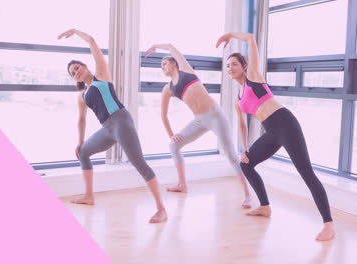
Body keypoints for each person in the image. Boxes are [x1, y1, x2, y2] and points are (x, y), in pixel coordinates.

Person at [216, 32, 334, 241]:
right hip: (271, 131)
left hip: (286, 124)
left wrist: (231, 35)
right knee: (246, 163)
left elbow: (251, 38)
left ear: (244, 66)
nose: (230, 68)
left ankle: (328, 224)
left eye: (234, 64)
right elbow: (242, 125)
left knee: (306, 173)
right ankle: (264, 206)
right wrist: (244, 149)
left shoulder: (253, 76)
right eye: (228, 66)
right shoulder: (238, 98)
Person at [58, 28, 167, 223]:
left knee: (139, 163)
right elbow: (81, 120)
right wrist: (80, 141)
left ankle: (161, 209)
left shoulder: (101, 75)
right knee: (83, 152)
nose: (76, 72)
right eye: (73, 73)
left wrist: (75, 32)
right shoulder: (82, 96)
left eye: (77, 68)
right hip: (107, 128)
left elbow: (92, 41)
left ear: (85, 65)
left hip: (121, 121)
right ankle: (89, 196)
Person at [145, 43, 251, 208]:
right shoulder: (168, 89)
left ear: (174, 63)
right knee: (173, 145)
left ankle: (247, 195)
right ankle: (182, 184)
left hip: (216, 116)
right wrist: (170, 134)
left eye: (164, 63)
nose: (162, 67)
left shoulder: (186, 71)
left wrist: (157, 46)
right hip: (199, 120)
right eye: (161, 66)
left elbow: (172, 47)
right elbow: (163, 115)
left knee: (231, 155)